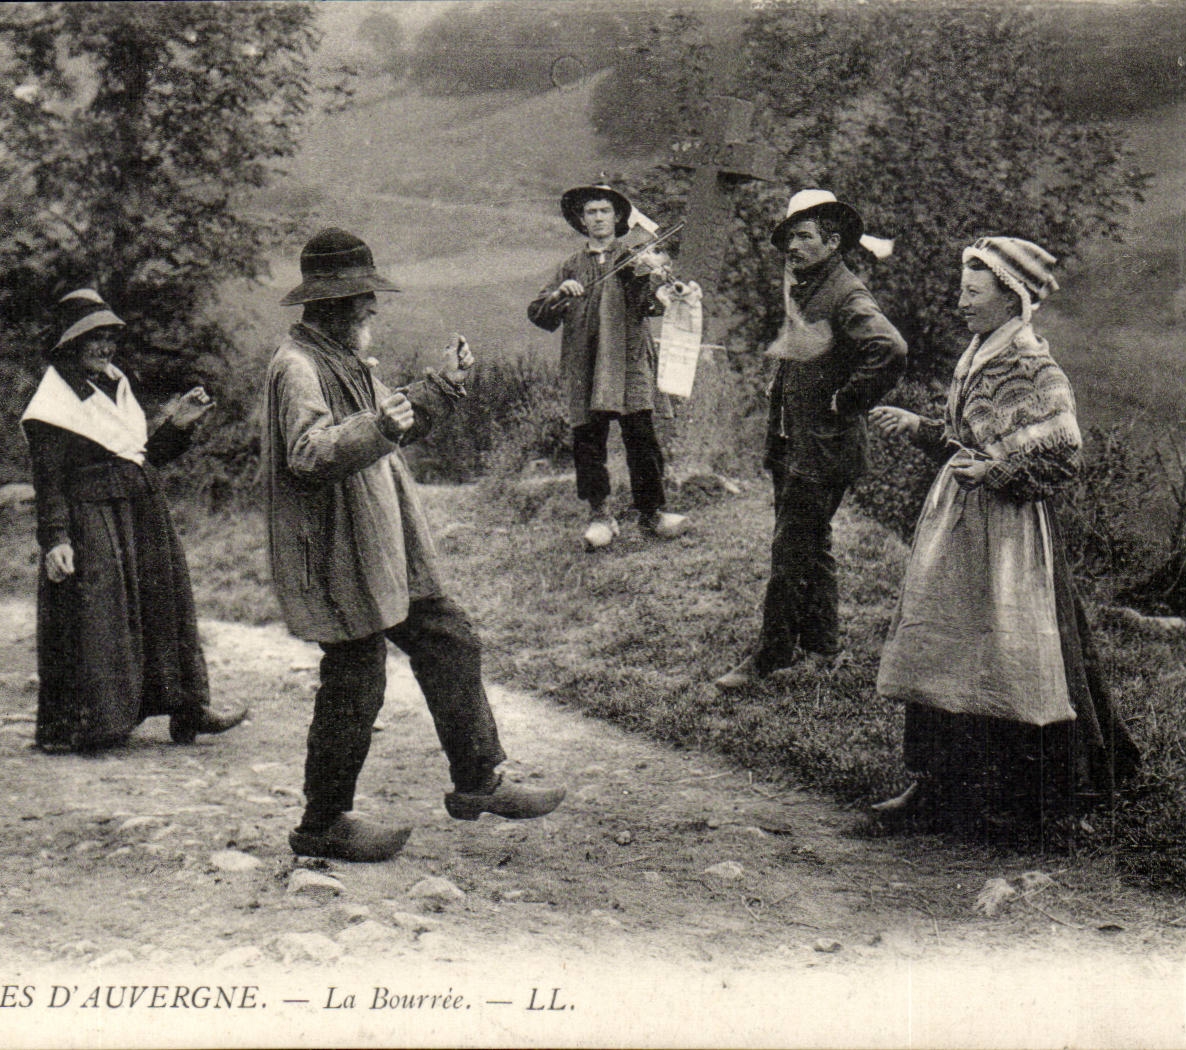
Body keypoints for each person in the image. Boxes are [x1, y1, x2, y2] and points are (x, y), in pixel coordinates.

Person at [263, 229, 566, 863]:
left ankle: (478, 782)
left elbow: (389, 427)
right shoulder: (298, 367)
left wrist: (441, 386)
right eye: (364, 299)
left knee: (448, 635)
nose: (373, 309)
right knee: (356, 680)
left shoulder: (342, 359)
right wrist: (378, 424)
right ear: (334, 304)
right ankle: (322, 823)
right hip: (340, 552)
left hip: (385, 544)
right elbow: (310, 453)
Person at [868, 237, 1139, 844]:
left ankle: (1030, 804)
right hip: (961, 526)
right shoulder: (978, 355)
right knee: (946, 646)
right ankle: (936, 787)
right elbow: (969, 440)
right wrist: (920, 429)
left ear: (1011, 297)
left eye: (972, 291)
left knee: (1015, 655)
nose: (960, 302)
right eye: (961, 289)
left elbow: (1062, 456)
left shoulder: (1028, 366)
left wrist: (996, 474)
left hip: (1010, 534)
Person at [22, 288, 247, 752]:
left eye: (109, 338)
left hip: (142, 515)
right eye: (93, 338)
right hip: (93, 521)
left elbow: (138, 458)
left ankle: (189, 709)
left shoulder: (115, 384)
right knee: (101, 619)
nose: (104, 347)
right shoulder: (51, 407)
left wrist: (179, 425)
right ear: (69, 344)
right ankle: (92, 724)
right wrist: (56, 540)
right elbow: (50, 481)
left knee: (166, 606)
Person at [715, 190, 907, 691]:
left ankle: (771, 656)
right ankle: (822, 646)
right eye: (789, 238)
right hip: (795, 446)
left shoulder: (847, 294)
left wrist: (847, 401)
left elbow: (889, 349)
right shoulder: (809, 287)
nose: (791, 247)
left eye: (802, 236)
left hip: (821, 451)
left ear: (833, 240)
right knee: (812, 544)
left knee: (789, 553)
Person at [528, 182, 688, 550]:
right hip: (586, 361)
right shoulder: (570, 265)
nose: (598, 218)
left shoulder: (635, 256)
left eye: (604, 211)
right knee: (588, 439)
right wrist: (559, 294)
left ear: (617, 217)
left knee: (641, 436)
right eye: (591, 212)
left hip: (629, 357)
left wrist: (655, 279)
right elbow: (539, 314)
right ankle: (600, 515)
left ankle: (653, 513)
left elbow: (654, 305)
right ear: (582, 221)